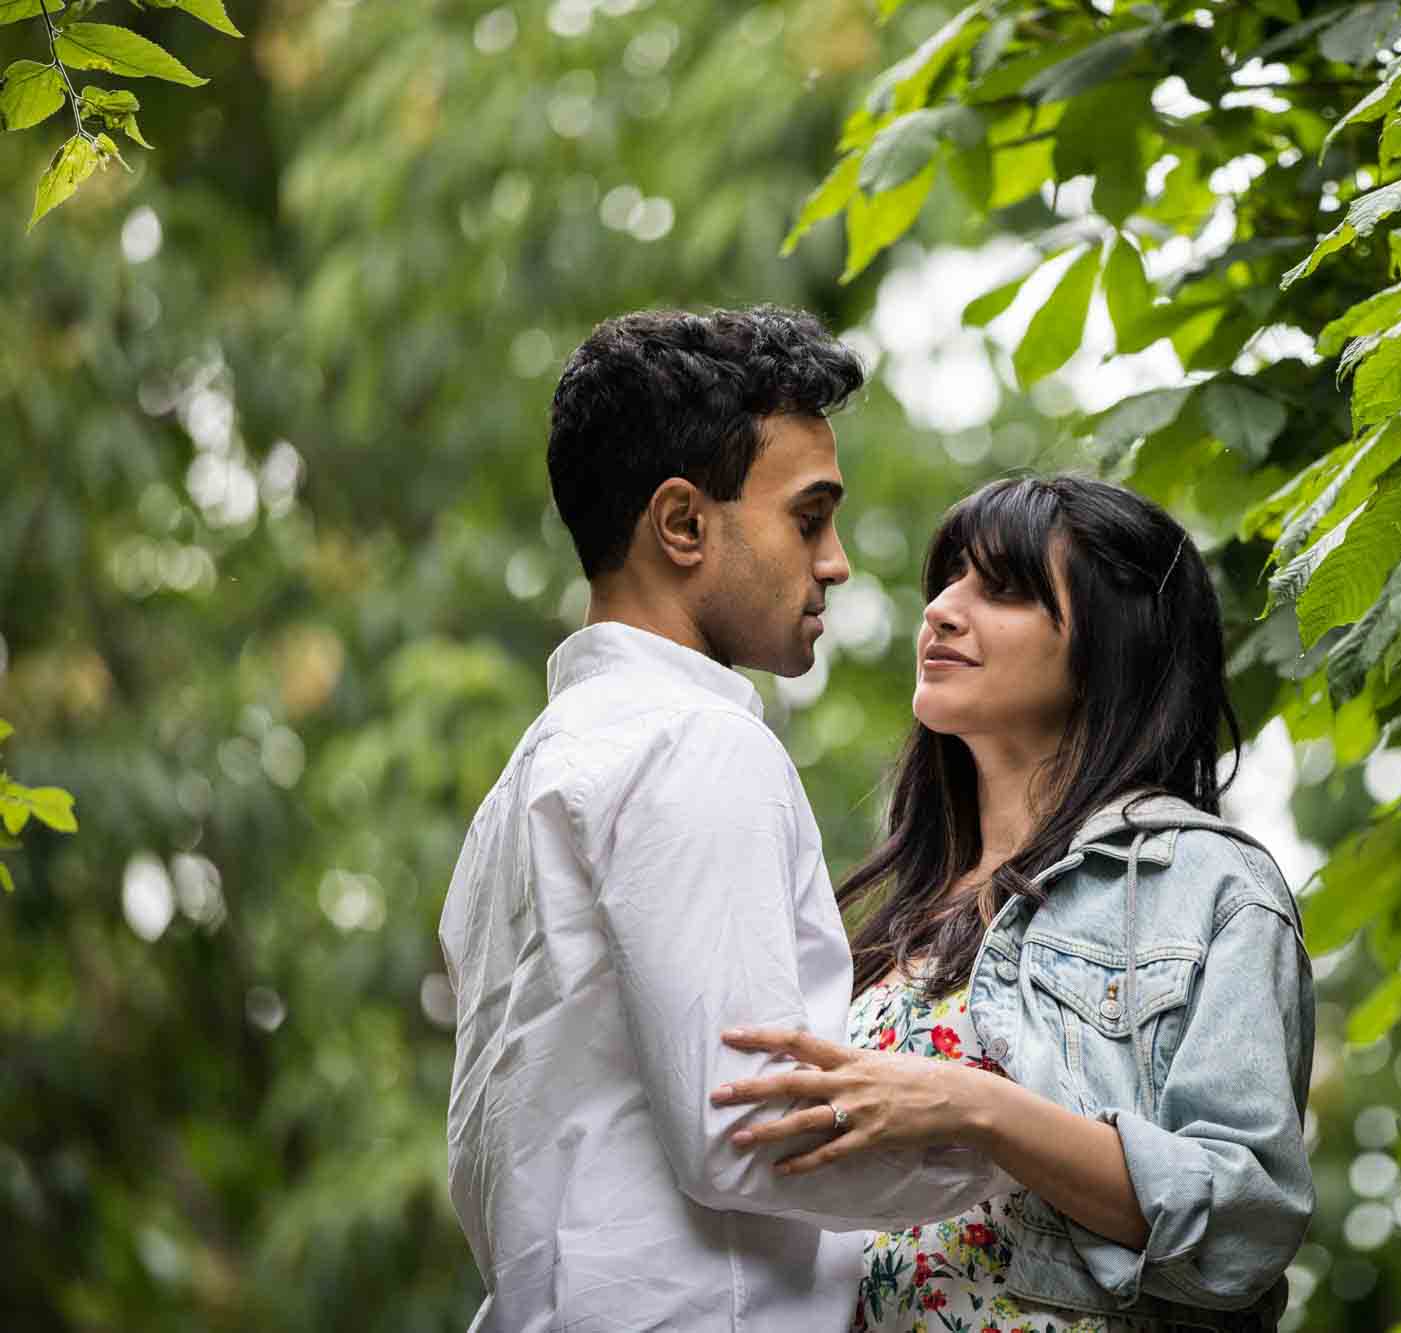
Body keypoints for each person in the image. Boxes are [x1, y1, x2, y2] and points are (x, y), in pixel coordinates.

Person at [438, 307, 1005, 1333]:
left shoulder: (527, 780)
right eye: (807, 517)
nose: (832, 560)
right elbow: (747, 1127)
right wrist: (1003, 1144)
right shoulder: (694, 745)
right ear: (683, 524)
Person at [712, 476, 1316, 1332]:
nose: (945, 611)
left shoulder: (1206, 888)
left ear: (1113, 642)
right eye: (948, 581)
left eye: (1002, 590)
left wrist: (977, 1109)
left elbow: (1244, 1225)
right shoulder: (894, 922)